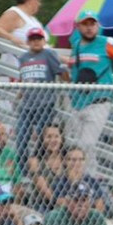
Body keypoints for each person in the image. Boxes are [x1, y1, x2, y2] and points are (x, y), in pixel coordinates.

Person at [66, 10, 113, 172]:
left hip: (99, 102)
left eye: (92, 24)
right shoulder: (76, 46)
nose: (89, 28)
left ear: (97, 25)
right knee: (77, 146)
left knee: (87, 144)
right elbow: (74, 71)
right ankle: (89, 180)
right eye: (85, 24)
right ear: (79, 27)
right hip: (77, 102)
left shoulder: (106, 42)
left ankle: (88, 181)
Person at [15, 28, 68, 167]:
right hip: (27, 105)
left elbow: (61, 72)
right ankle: (23, 171)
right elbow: (24, 78)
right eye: (32, 39)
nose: (36, 42)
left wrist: (69, 77)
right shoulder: (23, 57)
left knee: (43, 141)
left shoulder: (49, 54)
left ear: (44, 41)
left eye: (39, 39)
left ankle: (42, 170)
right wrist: (19, 94)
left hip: (45, 104)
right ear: (28, 42)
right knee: (21, 138)